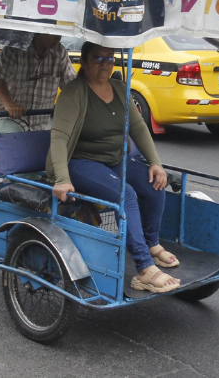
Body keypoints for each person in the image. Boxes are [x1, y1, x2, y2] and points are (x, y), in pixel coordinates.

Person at [47, 42, 181, 294]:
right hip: (80, 162)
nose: (104, 63)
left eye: (109, 59)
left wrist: (155, 163)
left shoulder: (120, 90)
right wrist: (62, 178)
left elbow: (139, 128)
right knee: (125, 194)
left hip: (115, 160)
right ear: (84, 63)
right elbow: (59, 138)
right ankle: (143, 269)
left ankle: (151, 243)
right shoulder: (74, 92)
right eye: (97, 58)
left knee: (155, 185)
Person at [0, 33, 77, 133]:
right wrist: (9, 105)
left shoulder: (59, 51)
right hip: (10, 117)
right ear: (39, 33)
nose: (59, 37)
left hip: (39, 123)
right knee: (13, 141)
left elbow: (71, 85)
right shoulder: (13, 49)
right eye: (53, 33)